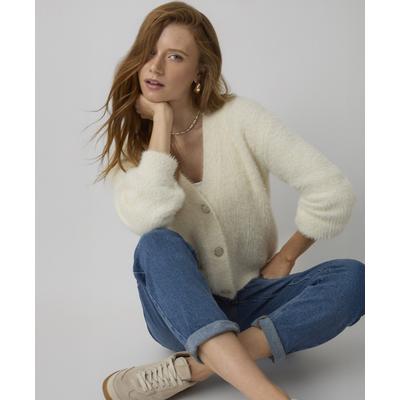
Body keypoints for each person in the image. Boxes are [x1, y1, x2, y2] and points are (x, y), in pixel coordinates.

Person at [92, 2, 365, 400]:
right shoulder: (134, 149)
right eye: (149, 52)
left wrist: (286, 257)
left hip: (254, 298)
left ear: (200, 71)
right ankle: (267, 394)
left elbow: (331, 189)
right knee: (156, 244)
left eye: (175, 56)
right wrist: (162, 123)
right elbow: (147, 216)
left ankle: (192, 368)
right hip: (176, 313)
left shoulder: (241, 118)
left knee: (356, 279)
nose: (155, 67)